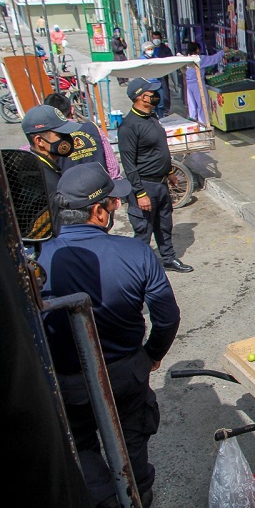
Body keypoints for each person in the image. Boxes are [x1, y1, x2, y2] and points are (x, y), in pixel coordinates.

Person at [38, 163, 180, 508]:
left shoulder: (38, 260)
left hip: (67, 380)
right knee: (131, 440)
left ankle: (104, 499)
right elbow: (167, 317)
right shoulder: (135, 252)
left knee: (82, 444)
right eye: (113, 203)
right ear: (99, 212)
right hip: (125, 374)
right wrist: (151, 355)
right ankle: (138, 496)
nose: (117, 206)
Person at [118, 78, 193, 273]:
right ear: (142, 97)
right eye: (151, 93)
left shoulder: (152, 118)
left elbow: (160, 150)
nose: (156, 96)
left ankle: (169, 258)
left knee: (164, 224)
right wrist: (140, 193)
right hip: (145, 186)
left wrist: (169, 173)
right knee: (144, 229)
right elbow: (129, 164)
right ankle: (139, 268)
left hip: (161, 184)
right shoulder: (129, 126)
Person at [20, 104, 82, 237]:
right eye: (60, 134)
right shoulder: (43, 177)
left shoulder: (33, 163)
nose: (67, 139)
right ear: (39, 141)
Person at [42, 93, 121, 179]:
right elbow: (112, 166)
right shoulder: (93, 128)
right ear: (72, 110)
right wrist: (115, 182)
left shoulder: (48, 139)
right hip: (101, 183)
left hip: (69, 185)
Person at [184, 41, 225, 125]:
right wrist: (223, 51)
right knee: (202, 105)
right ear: (197, 49)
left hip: (189, 84)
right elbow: (214, 59)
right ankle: (203, 124)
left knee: (192, 106)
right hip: (197, 84)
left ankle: (193, 124)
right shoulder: (199, 59)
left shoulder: (186, 59)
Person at [150, 32, 174, 117]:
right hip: (152, 75)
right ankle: (154, 110)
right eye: (154, 38)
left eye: (157, 38)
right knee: (153, 93)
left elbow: (170, 59)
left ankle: (165, 110)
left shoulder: (165, 49)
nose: (156, 40)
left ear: (161, 39)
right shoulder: (150, 49)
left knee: (164, 93)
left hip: (163, 74)